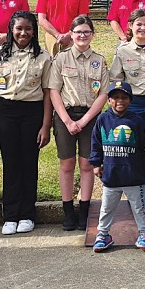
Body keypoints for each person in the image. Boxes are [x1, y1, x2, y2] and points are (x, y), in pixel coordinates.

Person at [0, 11, 53, 235]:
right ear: (11, 30)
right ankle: (10, 215)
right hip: (6, 112)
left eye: (28, 29)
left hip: (32, 112)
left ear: (34, 31)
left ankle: (27, 214)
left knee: (29, 163)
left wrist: (45, 126)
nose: (23, 33)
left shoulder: (42, 57)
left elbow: (47, 94)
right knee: (11, 163)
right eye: (19, 29)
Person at [46, 15, 109, 231]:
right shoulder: (61, 59)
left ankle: (84, 210)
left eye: (86, 32)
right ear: (71, 35)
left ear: (92, 34)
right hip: (65, 115)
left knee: (86, 165)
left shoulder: (99, 61)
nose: (82, 35)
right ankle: (67, 212)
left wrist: (83, 120)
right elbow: (54, 91)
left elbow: (103, 94)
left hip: (89, 117)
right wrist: (67, 120)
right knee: (66, 164)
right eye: (78, 32)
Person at [89, 81, 145, 253]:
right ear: (109, 100)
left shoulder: (136, 120)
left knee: (140, 207)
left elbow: (144, 146)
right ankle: (103, 234)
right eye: (115, 97)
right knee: (106, 208)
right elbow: (95, 143)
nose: (120, 101)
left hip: (134, 175)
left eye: (124, 97)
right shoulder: (102, 119)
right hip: (111, 175)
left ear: (130, 100)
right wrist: (96, 163)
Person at [110, 8, 145, 204]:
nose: (142, 28)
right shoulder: (122, 51)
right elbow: (116, 80)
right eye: (138, 24)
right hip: (131, 105)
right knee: (131, 147)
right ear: (130, 27)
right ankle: (133, 191)